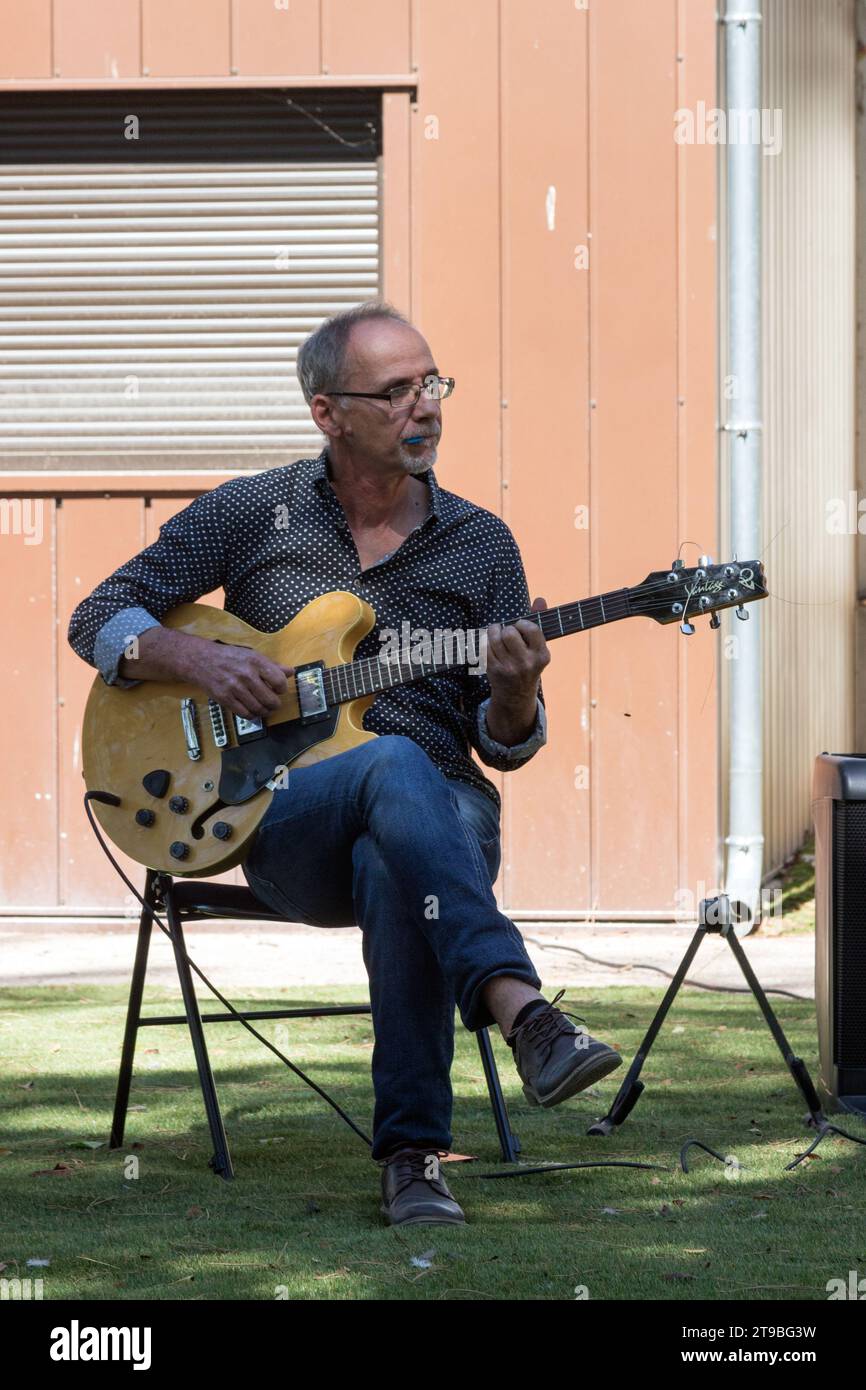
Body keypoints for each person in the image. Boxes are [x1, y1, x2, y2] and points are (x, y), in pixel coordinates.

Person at [68, 300, 621, 1226]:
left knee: (395, 830)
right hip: (276, 817)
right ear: (328, 413)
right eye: (396, 391)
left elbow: (504, 746)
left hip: (445, 820)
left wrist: (518, 694)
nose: (426, 408)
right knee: (387, 769)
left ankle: (412, 1159)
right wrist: (196, 658)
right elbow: (101, 615)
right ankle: (524, 1011)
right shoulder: (253, 512)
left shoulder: (482, 543)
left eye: (432, 385)